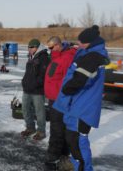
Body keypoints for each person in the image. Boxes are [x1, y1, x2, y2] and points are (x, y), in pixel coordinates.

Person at [53, 25, 109, 171]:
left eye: (80, 42)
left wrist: (66, 89)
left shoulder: (92, 57)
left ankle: (84, 168)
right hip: (79, 105)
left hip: (82, 107)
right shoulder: (91, 51)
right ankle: (79, 165)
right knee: (74, 140)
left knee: (77, 141)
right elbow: (75, 49)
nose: (78, 44)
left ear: (88, 43)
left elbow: (80, 80)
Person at [44, 37, 76, 170]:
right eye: (48, 48)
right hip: (54, 99)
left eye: (51, 48)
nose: (50, 50)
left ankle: (53, 157)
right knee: (57, 128)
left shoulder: (67, 58)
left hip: (60, 100)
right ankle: (61, 154)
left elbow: (69, 80)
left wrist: (64, 98)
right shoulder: (57, 57)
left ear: (58, 45)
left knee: (57, 129)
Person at [20, 38, 49, 141]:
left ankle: (41, 131)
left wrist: (34, 84)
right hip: (27, 89)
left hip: (37, 91)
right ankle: (30, 127)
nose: (29, 49)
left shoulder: (43, 57)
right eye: (29, 47)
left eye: (31, 47)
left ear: (37, 47)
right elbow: (28, 74)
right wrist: (24, 82)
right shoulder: (31, 57)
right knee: (25, 109)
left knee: (39, 111)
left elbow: (43, 76)